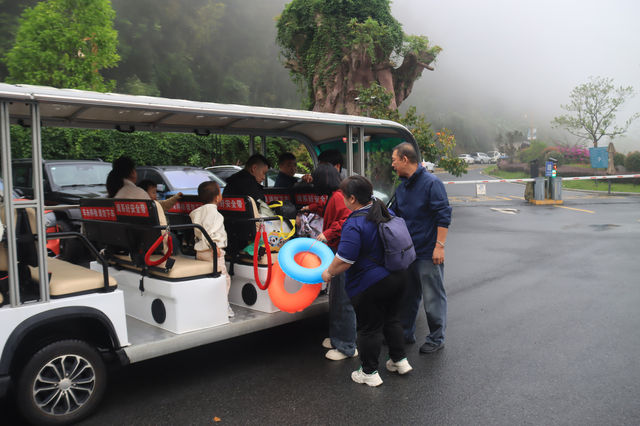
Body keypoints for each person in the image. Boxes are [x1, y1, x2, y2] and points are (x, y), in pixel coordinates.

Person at [321, 175, 411, 387]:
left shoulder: (354, 223)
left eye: (343, 196)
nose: (341, 200)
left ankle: (369, 372)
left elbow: (344, 260)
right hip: (399, 277)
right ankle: (400, 361)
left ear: (352, 198)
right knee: (392, 320)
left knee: (369, 328)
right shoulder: (385, 212)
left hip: (372, 283)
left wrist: (329, 272)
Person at [391, 142, 452, 354]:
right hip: (408, 251)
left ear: (405, 159)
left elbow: (443, 216)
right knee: (408, 294)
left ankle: (437, 338)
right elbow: (394, 213)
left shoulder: (432, 183)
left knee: (433, 295)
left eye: (394, 160)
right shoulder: (402, 186)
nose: (393, 164)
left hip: (428, 251)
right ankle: (405, 332)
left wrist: (440, 247)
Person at [301, 155, 357, 361]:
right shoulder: (335, 195)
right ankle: (337, 338)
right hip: (338, 250)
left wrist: (329, 233)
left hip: (343, 252)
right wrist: (311, 208)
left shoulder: (338, 197)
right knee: (336, 297)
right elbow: (327, 211)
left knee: (343, 299)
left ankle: (347, 345)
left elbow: (346, 219)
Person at [189, 181, 234, 318]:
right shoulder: (215, 214)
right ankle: (223, 306)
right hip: (213, 252)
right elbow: (210, 231)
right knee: (223, 279)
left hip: (200, 251)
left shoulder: (198, 212)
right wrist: (214, 247)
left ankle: (210, 304)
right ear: (217, 197)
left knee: (208, 278)